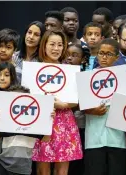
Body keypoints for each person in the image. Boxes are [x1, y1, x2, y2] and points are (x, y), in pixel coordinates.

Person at [32, 30, 82, 175]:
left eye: (60, 45)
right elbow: (29, 97)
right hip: (42, 120)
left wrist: (65, 105)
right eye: (52, 44)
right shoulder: (34, 69)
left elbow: (76, 98)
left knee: (62, 168)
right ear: (44, 46)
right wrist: (51, 103)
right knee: (43, 168)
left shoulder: (69, 70)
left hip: (65, 121)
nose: (56, 48)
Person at [84, 38, 126, 175]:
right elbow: (79, 104)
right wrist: (91, 110)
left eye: (108, 54)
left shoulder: (123, 77)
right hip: (94, 137)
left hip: (117, 137)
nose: (104, 57)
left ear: (116, 57)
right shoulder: (87, 77)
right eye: (101, 53)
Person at [63, 43, 90, 175]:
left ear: (83, 59)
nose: (69, 58)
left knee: (77, 164)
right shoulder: (58, 76)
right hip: (61, 128)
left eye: (74, 55)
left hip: (80, 127)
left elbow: (85, 104)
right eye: (67, 55)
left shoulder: (86, 78)